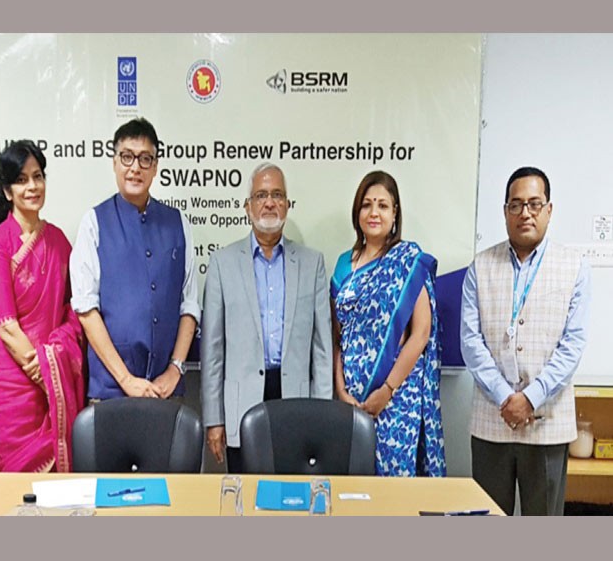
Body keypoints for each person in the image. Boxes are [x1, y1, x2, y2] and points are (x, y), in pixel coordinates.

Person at [462, 166, 589, 516]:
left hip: (547, 425)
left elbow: (573, 345)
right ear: (505, 212)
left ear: (549, 210)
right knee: (486, 528)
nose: (525, 213)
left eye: (534, 204)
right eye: (516, 205)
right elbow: (471, 342)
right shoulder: (481, 265)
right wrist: (506, 398)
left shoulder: (574, 266)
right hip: (492, 420)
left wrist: (530, 398)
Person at [201, 163, 332, 472]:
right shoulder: (222, 263)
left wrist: (323, 413)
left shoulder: (312, 263)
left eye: (277, 194)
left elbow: (322, 349)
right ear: (248, 207)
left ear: (287, 204)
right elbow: (212, 351)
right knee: (245, 500)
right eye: (261, 195)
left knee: (293, 501)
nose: (269, 202)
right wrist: (214, 419)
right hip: (241, 404)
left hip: (296, 402)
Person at [70, 117, 199, 401]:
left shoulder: (178, 223)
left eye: (144, 159)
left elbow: (189, 305)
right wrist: (126, 379)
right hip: (111, 391)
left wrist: (175, 370)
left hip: (166, 390)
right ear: (114, 162)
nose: (135, 167)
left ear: (155, 167)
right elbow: (85, 309)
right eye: (127, 157)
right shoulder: (94, 222)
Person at [331, 170, 445, 477]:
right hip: (351, 401)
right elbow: (338, 336)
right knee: (352, 487)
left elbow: (420, 333)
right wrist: (341, 389)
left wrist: (388, 390)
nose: (373, 212)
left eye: (382, 205)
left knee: (393, 493)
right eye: (366, 205)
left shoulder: (407, 260)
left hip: (396, 400)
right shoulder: (343, 263)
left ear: (395, 213)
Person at [0, 140, 85, 472]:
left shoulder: (58, 241)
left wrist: (53, 363)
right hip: (11, 384)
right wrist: (45, 374)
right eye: (22, 179)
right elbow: (7, 324)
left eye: (38, 176)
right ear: (8, 191)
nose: (32, 187)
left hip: (49, 374)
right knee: (13, 483)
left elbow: (72, 308)